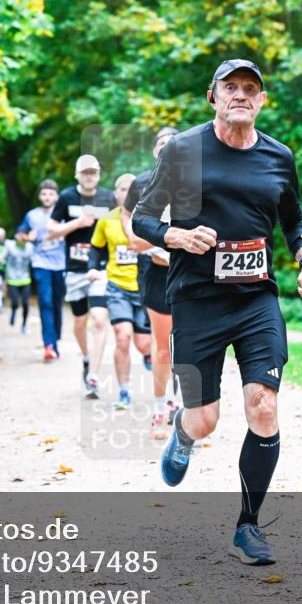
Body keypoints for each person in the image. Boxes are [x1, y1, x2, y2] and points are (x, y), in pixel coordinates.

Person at [132, 59, 302, 566]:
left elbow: (294, 220)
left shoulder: (279, 156)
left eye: (250, 89)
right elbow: (143, 219)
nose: (241, 95)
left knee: (263, 406)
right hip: (197, 298)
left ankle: (248, 526)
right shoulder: (183, 150)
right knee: (205, 420)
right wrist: (177, 236)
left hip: (256, 298)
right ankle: (183, 432)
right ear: (212, 97)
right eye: (230, 87)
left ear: (262, 101)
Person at [122, 126, 181, 438]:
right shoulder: (141, 182)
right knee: (162, 349)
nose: (166, 147)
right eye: (161, 143)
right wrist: (137, 238)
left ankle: (186, 407)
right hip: (157, 272)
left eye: (173, 142)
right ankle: (161, 407)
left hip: (190, 272)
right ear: (155, 150)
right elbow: (127, 216)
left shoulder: (197, 182)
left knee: (188, 346)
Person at [47, 155, 115, 389]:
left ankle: (93, 373)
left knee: (99, 319)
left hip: (101, 268)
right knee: (79, 322)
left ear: (99, 174)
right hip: (75, 269)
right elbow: (51, 231)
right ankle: (86, 357)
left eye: (93, 172)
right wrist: (77, 223)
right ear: (77, 175)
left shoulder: (108, 198)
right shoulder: (66, 197)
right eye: (85, 172)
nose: (89, 176)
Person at [89, 173, 152, 409]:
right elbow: (96, 248)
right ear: (116, 194)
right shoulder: (106, 220)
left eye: (131, 189)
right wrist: (92, 268)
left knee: (144, 344)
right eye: (123, 189)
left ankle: (148, 354)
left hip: (144, 287)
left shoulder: (149, 218)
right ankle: (124, 392)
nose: (127, 194)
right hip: (117, 286)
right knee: (122, 337)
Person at [18, 180, 66, 361]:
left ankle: (55, 340)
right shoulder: (32, 215)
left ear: (57, 197)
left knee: (56, 303)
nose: (47, 197)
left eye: (51, 194)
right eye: (44, 194)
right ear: (40, 196)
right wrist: (26, 237)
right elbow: (19, 235)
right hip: (40, 263)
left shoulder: (63, 214)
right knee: (45, 301)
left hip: (60, 264)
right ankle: (49, 344)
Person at [0, 232, 34, 334]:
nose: (21, 241)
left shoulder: (30, 247)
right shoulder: (9, 245)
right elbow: (2, 254)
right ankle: (13, 311)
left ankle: (24, 325)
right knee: (15, 302)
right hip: (12, 280)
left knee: (25, 303)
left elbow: (35, 259)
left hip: (25, 279)